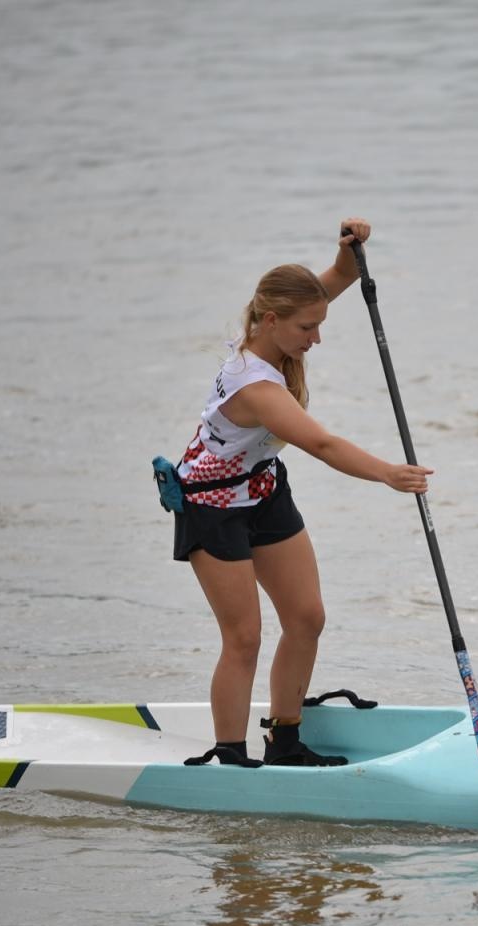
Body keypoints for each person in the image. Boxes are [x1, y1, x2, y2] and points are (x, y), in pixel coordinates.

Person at [171, 218, 430, 768]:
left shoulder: (278, 323)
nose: (316, 339)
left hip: (261, 488)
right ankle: (230, 755)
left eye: (318, 325)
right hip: (211, 503)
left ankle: (285, 741)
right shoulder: (258, 387)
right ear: (271, 321)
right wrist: (388, 473)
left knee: (307, 617)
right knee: (244, 636)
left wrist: (348, 253)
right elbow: (323, 444)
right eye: (308, 329)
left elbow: (334, 281)